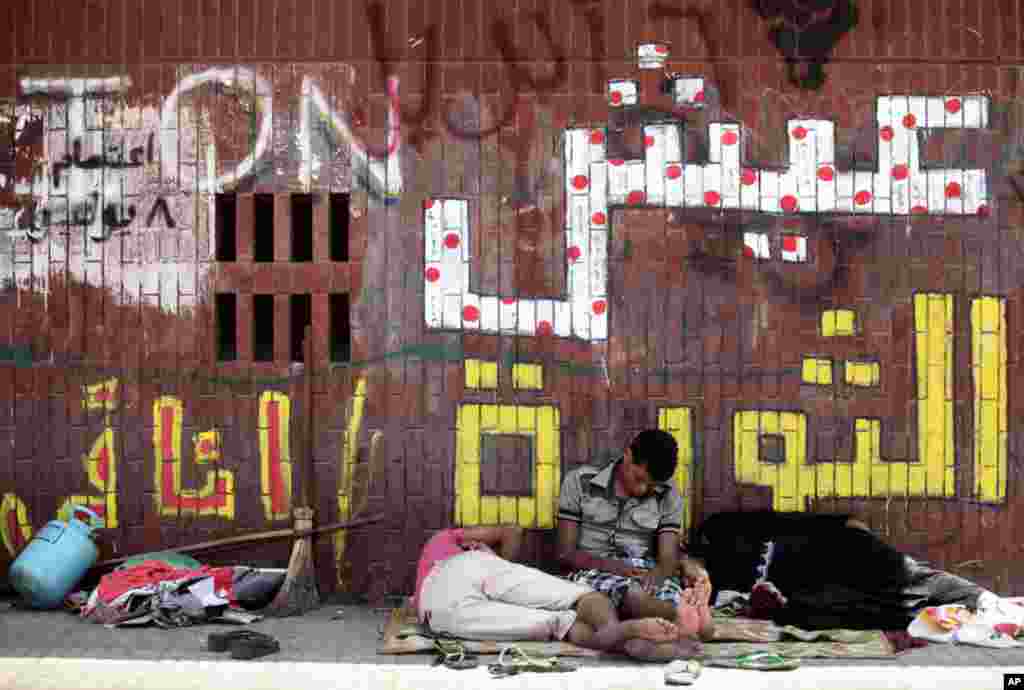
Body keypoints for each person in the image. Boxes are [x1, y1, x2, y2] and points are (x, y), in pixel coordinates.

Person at [413, 525, 701, 661]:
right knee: (581, 597)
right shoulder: (452, 539)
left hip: (440, 603)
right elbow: (511, 531)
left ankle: (625, 637)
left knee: (559, 625)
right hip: (473, 567)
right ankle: (620, 632)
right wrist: (502, 567)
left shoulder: (437, 544)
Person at [688, 510, 999, 630]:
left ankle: (990, 604)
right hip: (813, 587)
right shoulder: (713, 589)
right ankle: (969, 611)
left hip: (834, 552)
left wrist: (849, 530)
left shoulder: (718, 527)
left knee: (911, 577)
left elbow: (794, 521)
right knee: (883, 608)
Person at [556, 429, 714, 640]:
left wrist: (657, 575)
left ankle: (685, 616)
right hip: (592, 569)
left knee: (655, 595)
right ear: (628, 455)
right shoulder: (580, 481)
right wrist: (614, 567)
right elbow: (565, 553)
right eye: (639, 479)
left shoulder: (668, 494)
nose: (643, 489)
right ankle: (682, 618)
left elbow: (667, 557)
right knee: (632, 597)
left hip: (644, 570)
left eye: (652, 485)